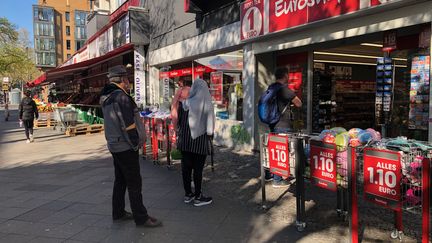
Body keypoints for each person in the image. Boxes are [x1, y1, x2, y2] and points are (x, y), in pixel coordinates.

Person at [100, 65, 162, 227]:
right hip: (125, 147)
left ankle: (118, 212)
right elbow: (128, 125)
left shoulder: (106, 97)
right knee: (134, 182)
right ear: (121, 80)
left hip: (114, 144)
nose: (129, 82)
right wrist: (136, 144)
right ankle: (141, 217)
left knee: (120, 180)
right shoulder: (121, 97)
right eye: (127, 79)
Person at [177, 79, 215, 206]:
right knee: (198, 169)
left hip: (185, 141)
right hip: (199, 140)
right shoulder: (207, 103)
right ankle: (198, 196)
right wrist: (210, 134)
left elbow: (179, 122)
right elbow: (210, 125)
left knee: (186, 168)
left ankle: (188, 194)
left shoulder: (185, 103)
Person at [268, 67, 302, 188]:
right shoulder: (284, 90)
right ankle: (277, 180)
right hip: (283, 125)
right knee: (282, 151)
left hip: (273, 123)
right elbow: (299, 103)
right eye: (288, 75)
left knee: (274, 150)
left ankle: (273, 175)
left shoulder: (271, 88)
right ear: (285, 76)